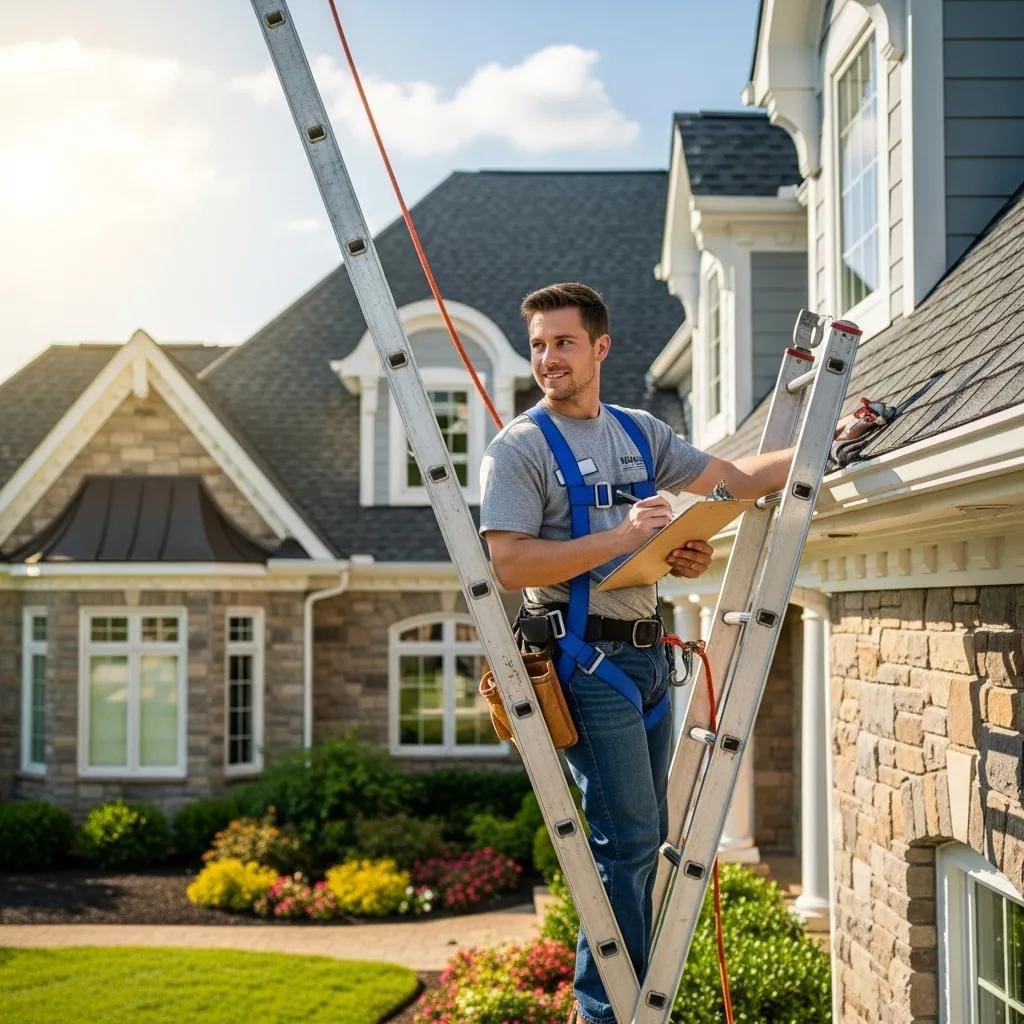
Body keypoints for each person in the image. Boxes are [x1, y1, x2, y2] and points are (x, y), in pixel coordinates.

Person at [479, 282, 796, 1024]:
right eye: (538, 345)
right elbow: (513, 565)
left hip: (651, 658)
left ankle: (632, 996)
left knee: (646, 839)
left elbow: (737, 481)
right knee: (627, 839)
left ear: (599, 347)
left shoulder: (639, 432)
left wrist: (829, 440)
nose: (547, 359)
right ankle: (607, 1010)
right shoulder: (520, 448)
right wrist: (625, 536)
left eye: (562, 342)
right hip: (584, 666)